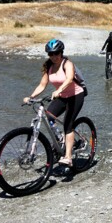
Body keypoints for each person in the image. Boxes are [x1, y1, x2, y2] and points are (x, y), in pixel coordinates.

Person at [23, 39, 86, 168]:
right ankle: (60, 140)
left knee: (68, 126)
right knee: (49, 117)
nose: (54, 56)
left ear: (61, 52)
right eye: (51, 54)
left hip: (76, 96)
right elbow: (42, 85)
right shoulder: (49, 67)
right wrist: (30, 97)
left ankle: (68, 157)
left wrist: (59, 90)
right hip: (62, 97)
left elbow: (69, 79)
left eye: (56, 53)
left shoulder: (67, 63)